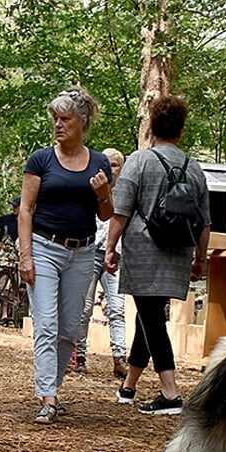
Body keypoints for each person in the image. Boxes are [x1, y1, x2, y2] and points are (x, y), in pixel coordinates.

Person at [105, 95, 211, 415]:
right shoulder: (194, 169)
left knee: (151, 317)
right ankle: (129, 385)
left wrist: (110, 247)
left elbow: (121, 211)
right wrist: (200, 259)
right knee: (148, 315)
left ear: (151, 127)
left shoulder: (138, 161)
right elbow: (204, 221)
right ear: (180, 131)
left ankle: (170, 393)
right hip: (178, 250)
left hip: (144, 249)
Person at [19, 86, 115, 424]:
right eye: (55, 119)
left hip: (83, 251)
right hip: (44, 247)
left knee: (70, 329)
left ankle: (52, 386)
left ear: (82, 122)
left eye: (65, 119)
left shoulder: (101, 162)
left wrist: (104, 194)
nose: (58, 125)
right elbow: (25, 210)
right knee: (46, 324)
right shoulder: (41, 159)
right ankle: (48, 397)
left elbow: (106, 214)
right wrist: (26, 256)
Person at [75, 147, 130, 377]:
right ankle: (79, 356)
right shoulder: (90, 188)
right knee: (84, 307)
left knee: (117, 308)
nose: (111, 168)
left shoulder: (128, 192)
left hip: (116, 257)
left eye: (116, 164)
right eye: (107, 163)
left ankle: (119, 358)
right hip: (90, 252)